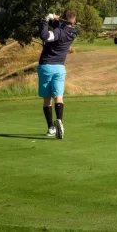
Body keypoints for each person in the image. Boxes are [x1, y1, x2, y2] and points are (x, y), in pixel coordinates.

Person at [38, 9, 77, 139]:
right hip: (60, 68)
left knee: (47, 99)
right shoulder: (73, 32)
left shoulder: (59, 32)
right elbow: (60, 29)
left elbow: (45, 36)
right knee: (58, 97)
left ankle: (51, 128)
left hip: (46, 66)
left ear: (63, 19)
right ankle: (59, 120)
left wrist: (45, 20)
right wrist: (55, 21)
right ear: (74, 20)